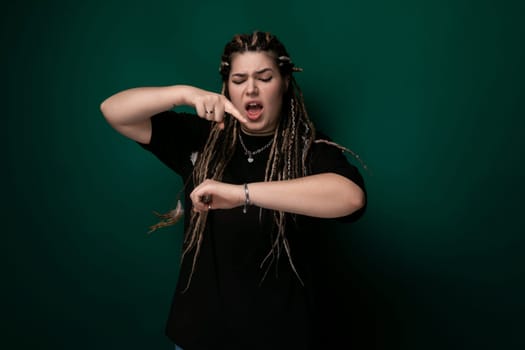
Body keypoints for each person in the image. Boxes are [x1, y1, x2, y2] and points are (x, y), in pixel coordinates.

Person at [100, 31, 367, 350]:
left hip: (281, 337)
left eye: (264, 77)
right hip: (199, 336)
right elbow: (114, 111)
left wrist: (242, 193)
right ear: (226, 87)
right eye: (239, 79)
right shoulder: (203, 138)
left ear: (283, 83)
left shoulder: (308, 147)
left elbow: (350, 198)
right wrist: (184, 93)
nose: (251, 88)